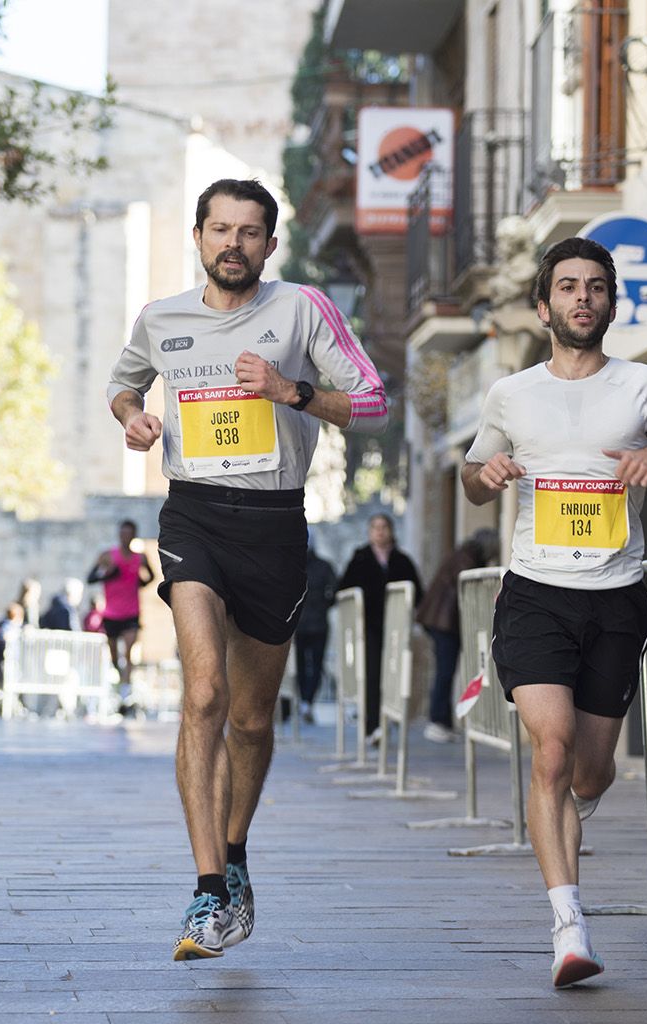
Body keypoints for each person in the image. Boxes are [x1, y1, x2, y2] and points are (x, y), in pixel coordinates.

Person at [107, 178, 389, 959]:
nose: (233, 243)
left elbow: (373, 401)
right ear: (197, 237)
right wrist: (134, 418)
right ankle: (205, 892)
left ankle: (233, 858)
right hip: (193, 514)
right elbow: (123, 382)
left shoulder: (301, 309)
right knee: (203, 692)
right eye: (220, 229)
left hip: (273, 525)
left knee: (251, 719)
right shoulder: (161, 319)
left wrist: (291, 389)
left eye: (250, 231)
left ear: (269, 244)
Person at [462, 236, 647, 988]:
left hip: (616, 597)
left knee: (592, 774)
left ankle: (569, 816)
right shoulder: (511, 394)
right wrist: (490, 472)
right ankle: (569, 926)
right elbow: (473, 479)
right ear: (544, 307)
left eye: (595, 287)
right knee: (551, 749)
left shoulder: (646, 387)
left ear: (610, 302)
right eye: (567, 287)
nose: (582, 298)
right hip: (535, 592)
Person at [337, 513, 424, 739]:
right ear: (369, 531)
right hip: (369, 626)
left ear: (391, 530)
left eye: (384, 526)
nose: (380, 531)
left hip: (397, 627)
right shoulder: (360, 558)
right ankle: (372, 724)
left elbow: (417, 591)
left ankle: (391, 717)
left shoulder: (401, 560)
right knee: (372, 673)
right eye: (375, 527)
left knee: (396, 673)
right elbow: (344, 587)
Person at [414, 527, 499, 744]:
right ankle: (437, 721)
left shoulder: (464, 555)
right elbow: (469, 590)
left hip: (441, 621)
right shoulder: (467, 559)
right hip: (444, 622)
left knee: (446, 671)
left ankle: (443, 721)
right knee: (445, 671)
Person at [88, 519, 155, 708]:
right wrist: (108, 575)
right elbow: (90, 578)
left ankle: (126, 689)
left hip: (132, 612)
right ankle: (119, 676)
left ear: (134, 535)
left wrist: (140, 584)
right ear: (119, 535)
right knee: (115, 655)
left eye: (129, 534)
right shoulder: (108, 556)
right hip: (111, 613)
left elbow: (152, 576)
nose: (125, 537)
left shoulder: (140, 558)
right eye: (122, 533)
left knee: (129, 651)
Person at [292, 530, 337, 722]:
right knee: (306, 665)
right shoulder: (295, 565)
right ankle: (305, 701)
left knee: (313, 665)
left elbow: (335, 590)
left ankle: (306, 701)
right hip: (305, 624)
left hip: (314, 624)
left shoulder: (322, 566)